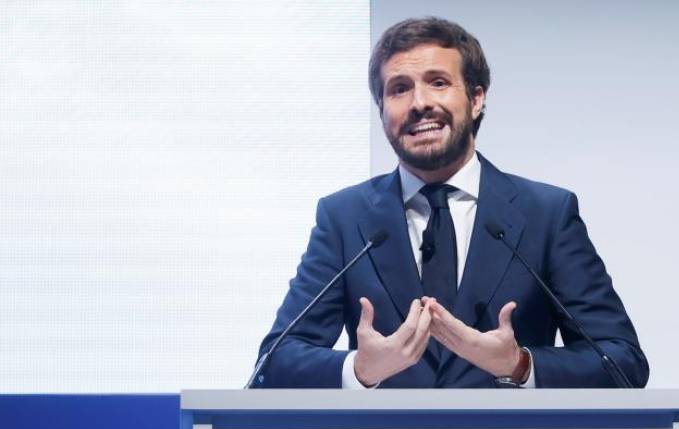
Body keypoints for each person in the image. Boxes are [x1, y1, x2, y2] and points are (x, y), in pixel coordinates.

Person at [254, 17, 649, 389]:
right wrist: (359, 369)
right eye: (399, 88)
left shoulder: (546, 214)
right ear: (382, 111)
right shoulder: (344, 218)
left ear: (476, 99)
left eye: (438, 82)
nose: (419, 102)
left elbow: (623, 361)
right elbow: (273, 363)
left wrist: (519, 365)